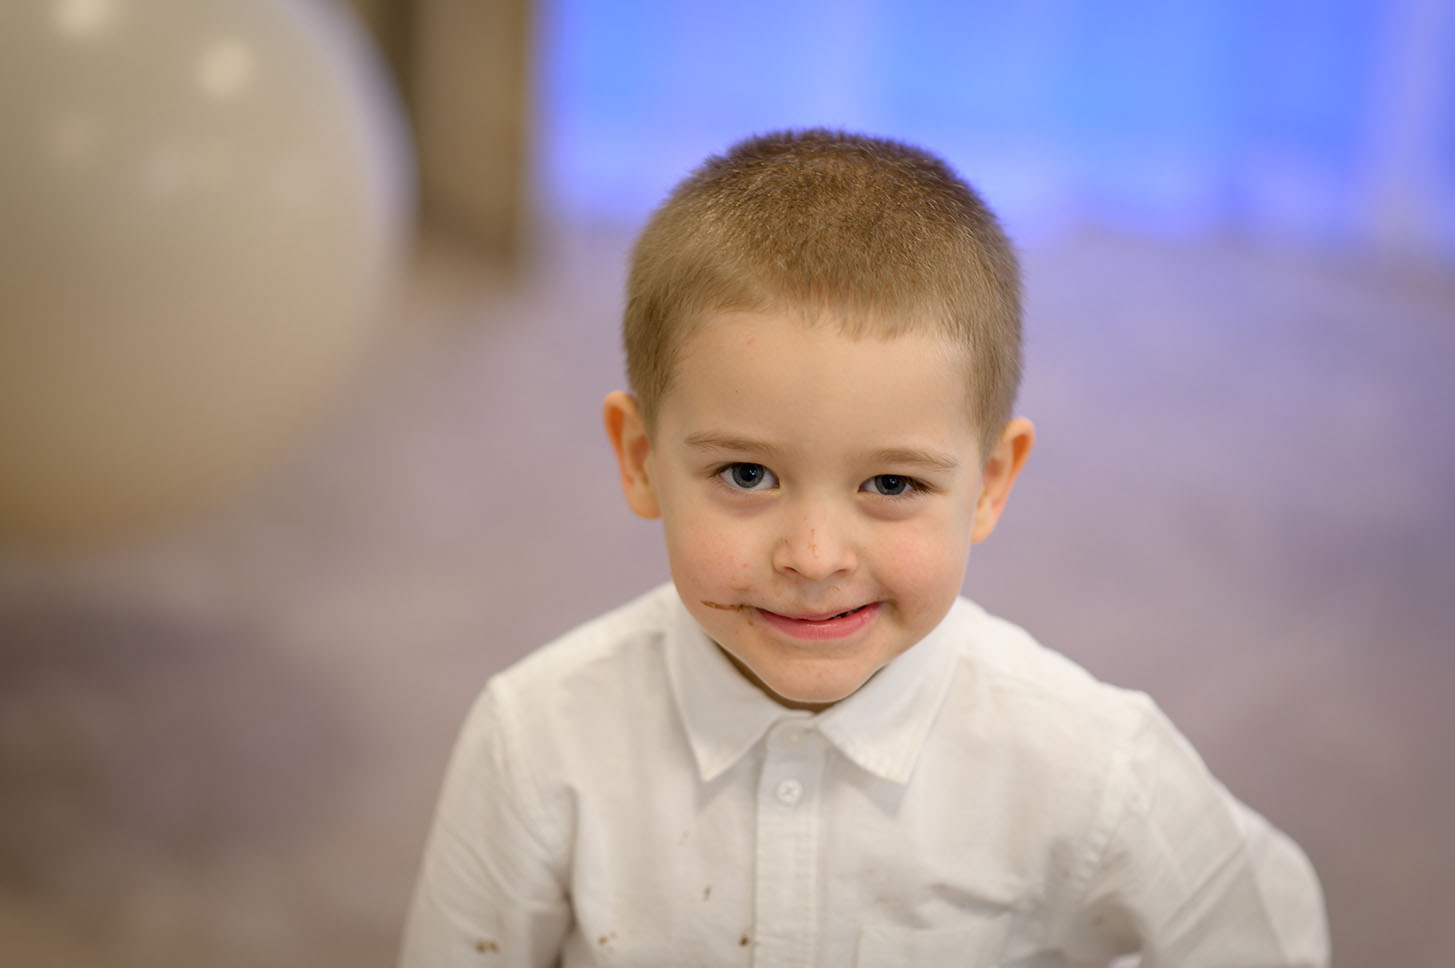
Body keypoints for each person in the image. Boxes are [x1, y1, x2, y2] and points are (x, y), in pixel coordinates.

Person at [397, 130, 1329, 967]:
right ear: (640, 459)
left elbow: (1268, 927)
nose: (813, 557)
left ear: (989, 483)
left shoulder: (1091, 762)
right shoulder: (536, 738)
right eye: (747, 475)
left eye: (890, 485)